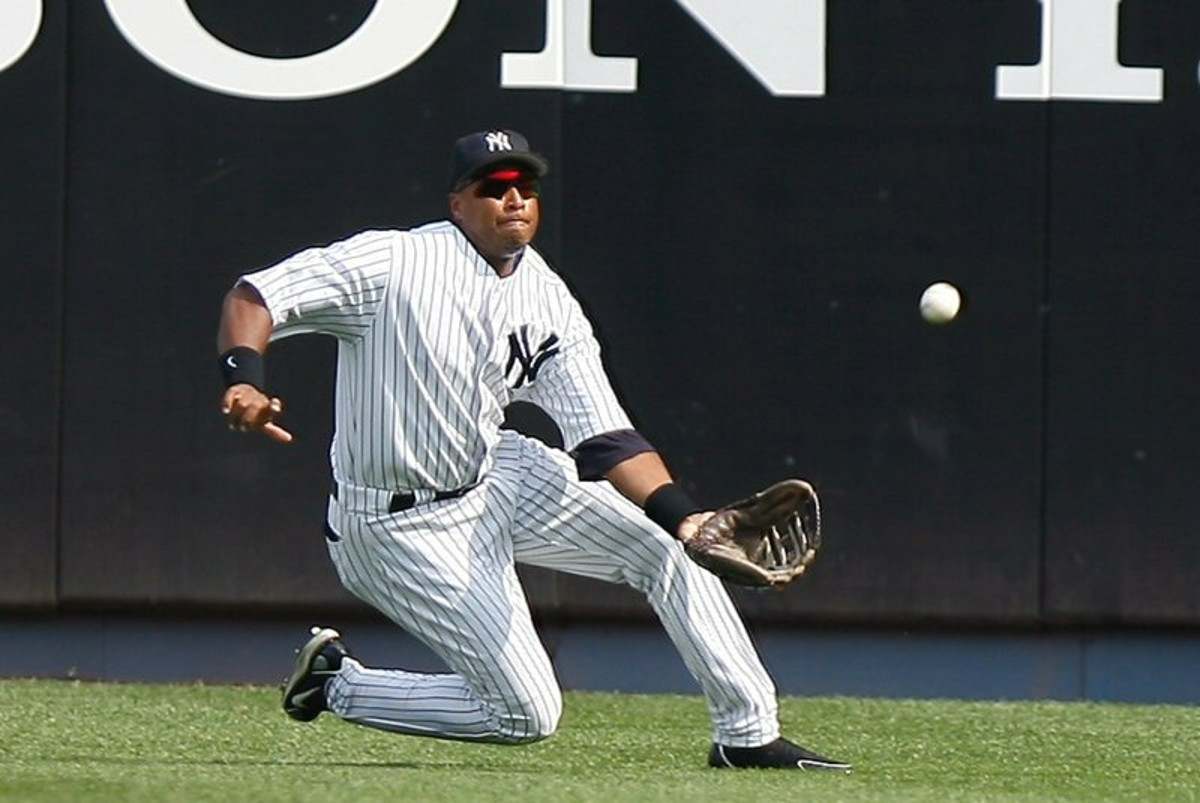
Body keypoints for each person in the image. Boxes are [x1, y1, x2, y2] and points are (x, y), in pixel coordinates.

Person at [216, 128, 849, 771]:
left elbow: (606, 438)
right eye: (494, 187)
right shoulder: (393, 263)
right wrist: (244, 378)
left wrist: (684, 516)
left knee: (670, 544)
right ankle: (336, 684)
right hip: (395, 523)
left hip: (498, 472)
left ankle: (747, 736)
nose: (514, 198)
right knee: (524, 715)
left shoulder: (546, 295)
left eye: (526, 187)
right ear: (458, 204)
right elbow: (257, 295)